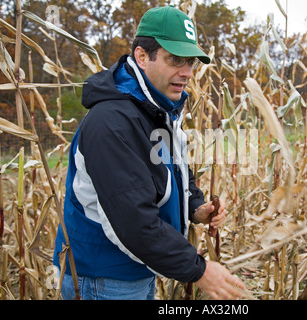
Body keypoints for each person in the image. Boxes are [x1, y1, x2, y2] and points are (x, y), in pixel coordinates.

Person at [53, 5, 245, 300]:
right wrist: (200, 270)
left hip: (135, 269)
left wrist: (195, 206)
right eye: (175, 60)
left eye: (190, 62)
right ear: (142, 56)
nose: (187, 73)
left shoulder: (156, 110)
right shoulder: (111, 122)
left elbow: (173, 168)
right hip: (104, 278)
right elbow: (134, 222)